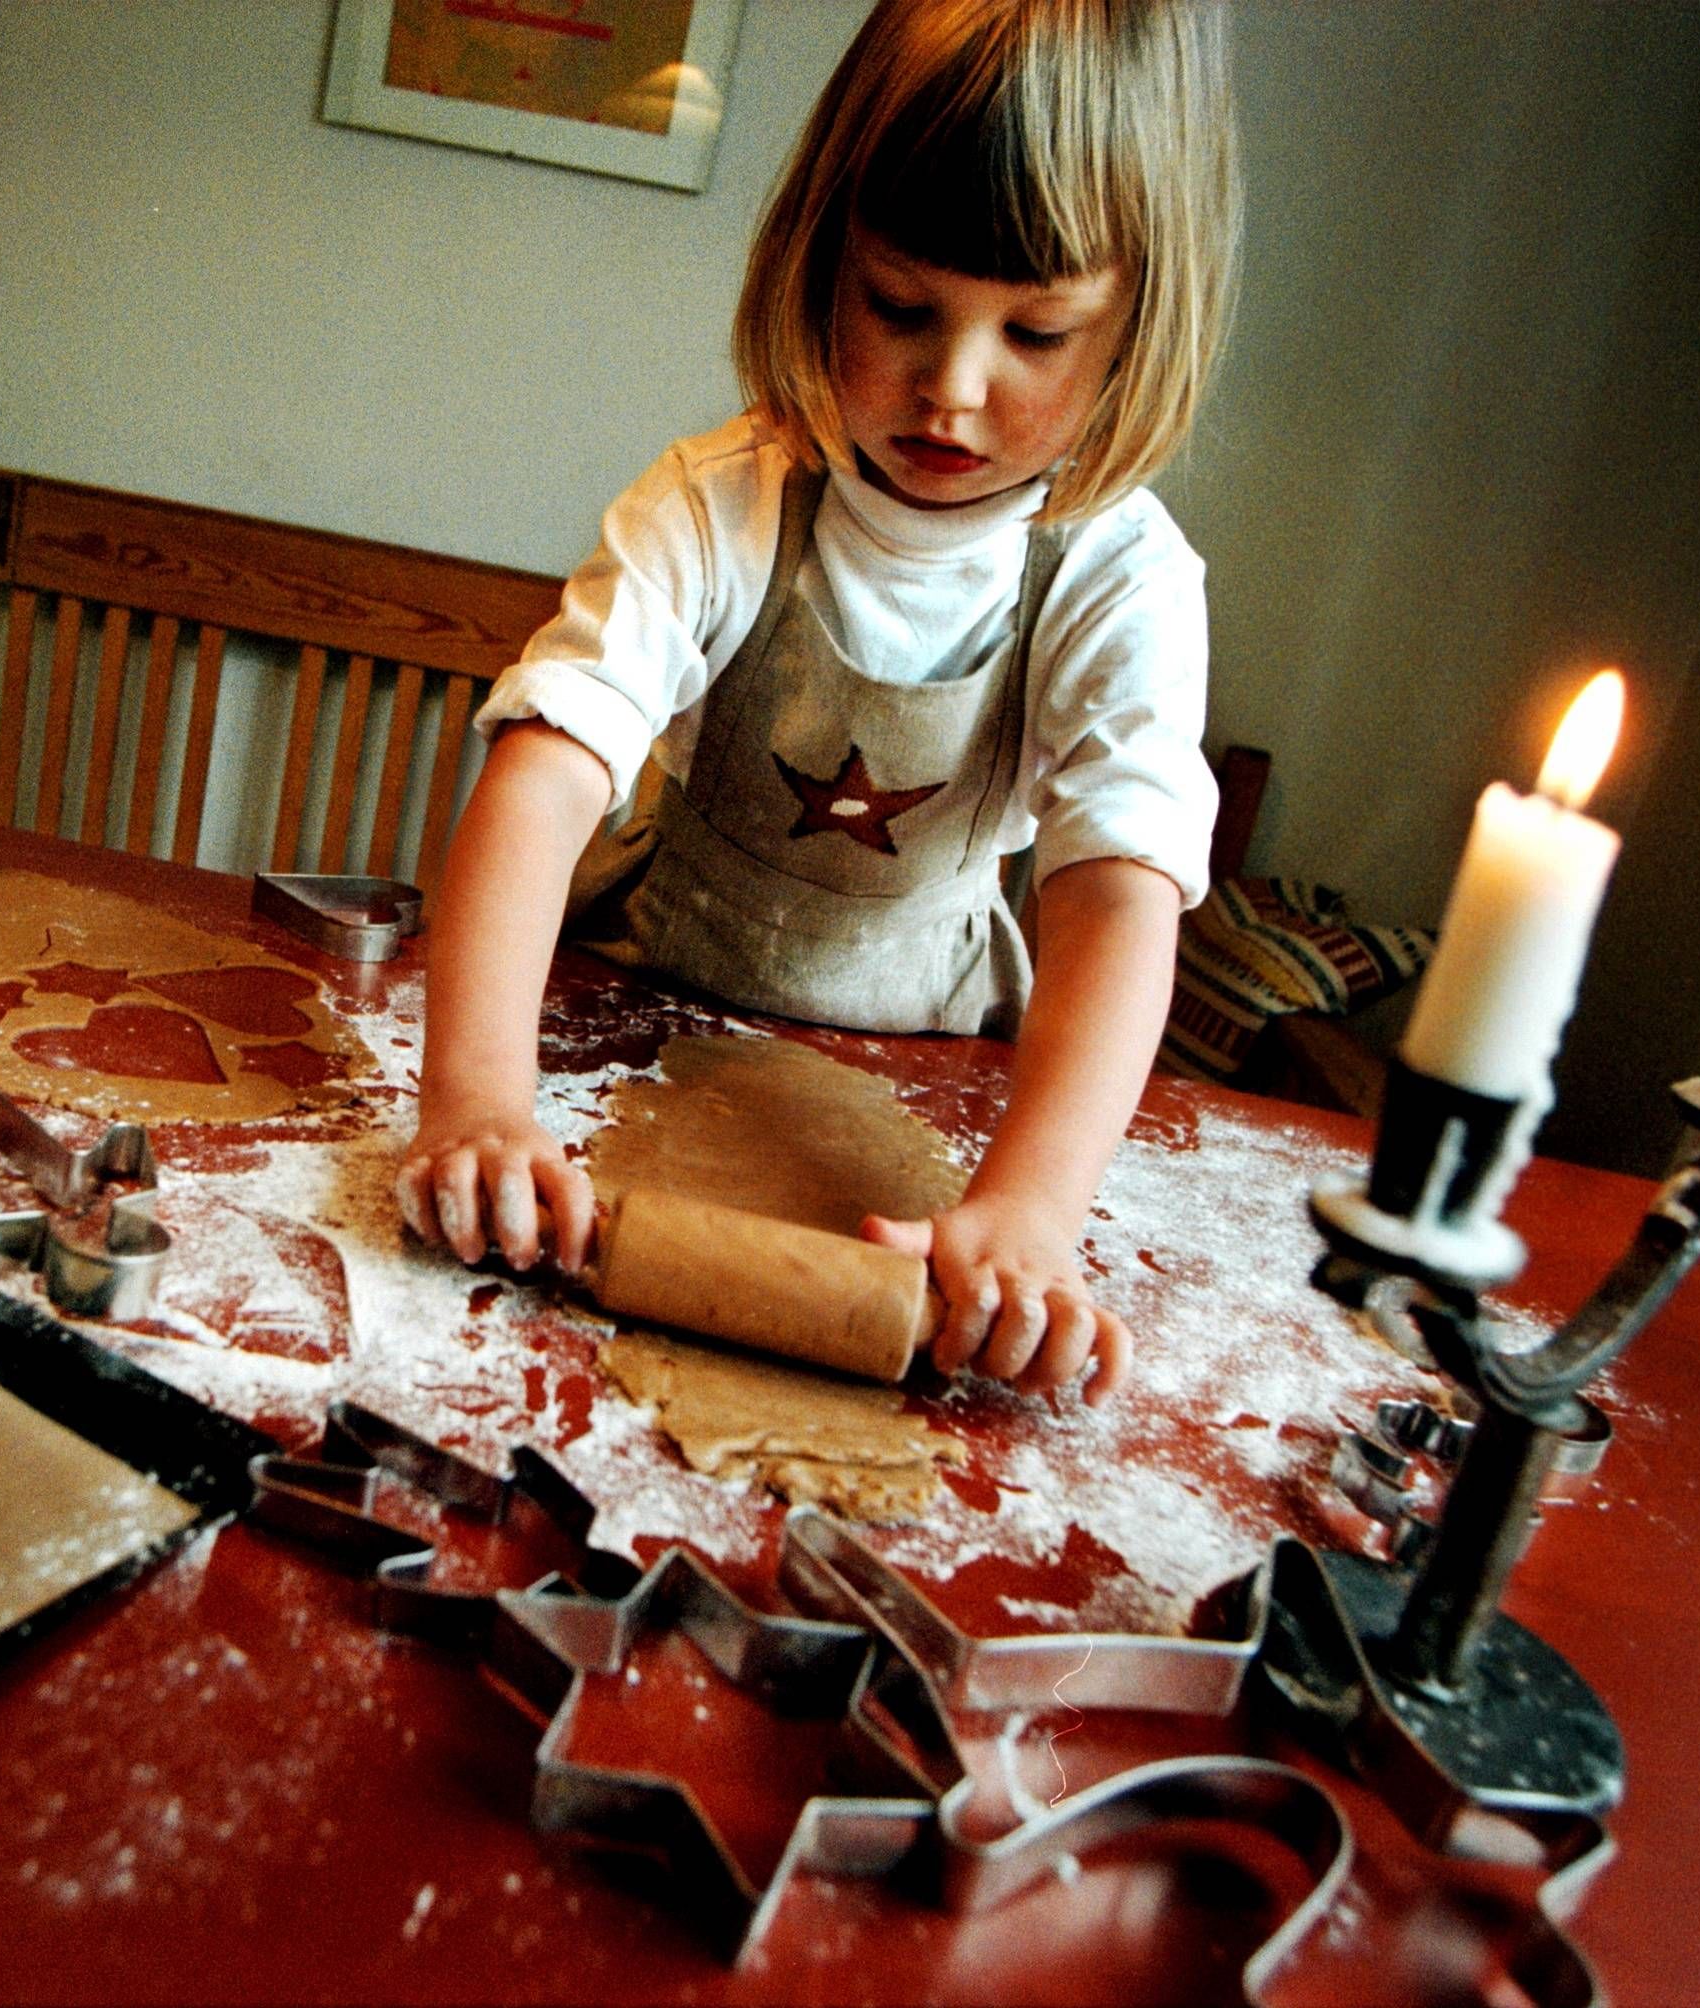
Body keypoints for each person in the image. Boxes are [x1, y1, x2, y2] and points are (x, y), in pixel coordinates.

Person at [397, 0, 1239, 1401]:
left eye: (1038, 332)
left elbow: (1113, 897)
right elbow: (545, 775)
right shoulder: (720, 507)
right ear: (817, 265)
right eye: (902, 307)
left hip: (925, 1094)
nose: (953, 389)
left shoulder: (1120, 582)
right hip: (636, 1030)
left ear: (1139, 327)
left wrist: (1031, 1210)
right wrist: (478, 1101)